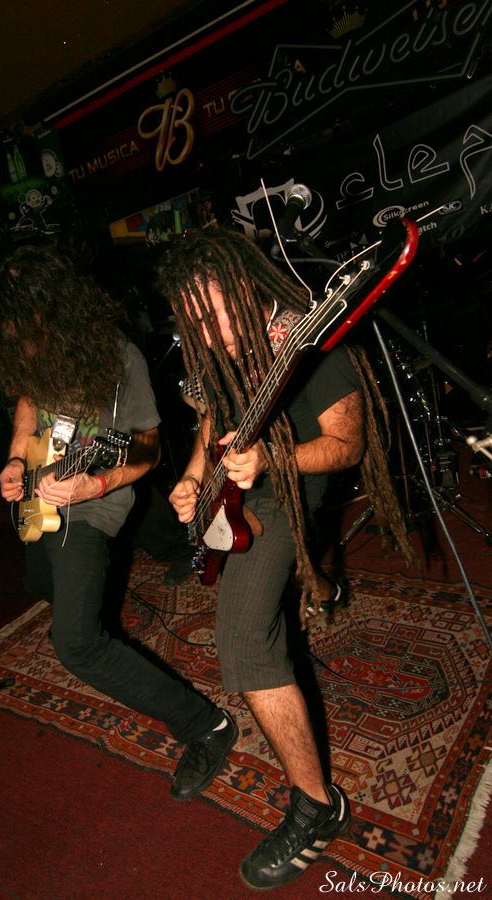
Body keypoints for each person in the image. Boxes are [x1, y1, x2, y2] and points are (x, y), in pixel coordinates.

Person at [156, 226, 413, 891]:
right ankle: (315, 581)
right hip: (241, 482)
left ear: (246, 287)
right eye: (193, 323)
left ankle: (318, 807)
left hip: (293, 484)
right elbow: (212, 419)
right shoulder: (217, 349)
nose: (207, 334)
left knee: (243, 641)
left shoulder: (311, 342)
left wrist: (274, 461)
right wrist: (193, 477)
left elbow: (348, 445)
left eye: (213, 315)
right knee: (238, 573)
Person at [0, 244, 238, 804]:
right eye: (13, 336)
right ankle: (87, 598)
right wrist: (17, 457)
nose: (24, 344)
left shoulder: (120, 359)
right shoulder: (30, 349)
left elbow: (146, 449)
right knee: (40, 583)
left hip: (91, 500)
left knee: (76, 644)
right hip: (43, 489)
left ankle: (206, 725)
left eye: (29, 330)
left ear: (57, 311)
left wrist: (93, 485)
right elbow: (28, 399)